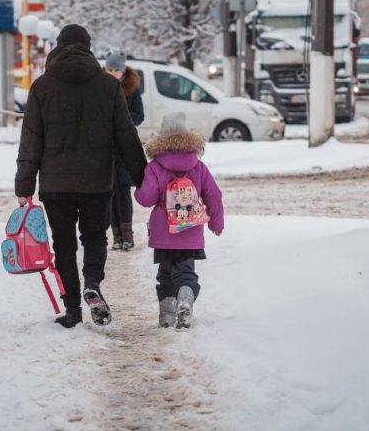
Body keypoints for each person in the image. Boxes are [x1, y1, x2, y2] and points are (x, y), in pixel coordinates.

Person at [15, 25, 147, 328]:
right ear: (88, 48)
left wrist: (24, 184)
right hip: (97, 182)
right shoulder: (108, 86)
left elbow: (30, 140)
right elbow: (126, 135)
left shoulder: (42, 87)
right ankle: (92, 282)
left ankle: (72, 309)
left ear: (58, 47)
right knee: (94, 238)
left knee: (63, 245)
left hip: (55, 184)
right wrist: (143, 177)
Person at [135, 112, 224, 329]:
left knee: (165, 274)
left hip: (164, 232)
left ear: (161, 137)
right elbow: (213, 194)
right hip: (189, 230)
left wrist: (138, 189)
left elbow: (146, 199)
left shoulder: (155, 166)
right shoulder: (198, 166)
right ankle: (186, 298)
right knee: (186, 271)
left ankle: (166, 315)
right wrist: (216, 222)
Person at [104, 52, 144, 251]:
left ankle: (127, 234)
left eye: (117, 70)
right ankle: (116, 236)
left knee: (123, 190)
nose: (113, 73)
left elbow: (139, 115)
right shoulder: (99, 87)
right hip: (105, 147)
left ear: (123, 71)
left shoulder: (131, 89)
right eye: (110, 70)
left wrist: (122, 119)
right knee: (109, 192)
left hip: (124, 147)